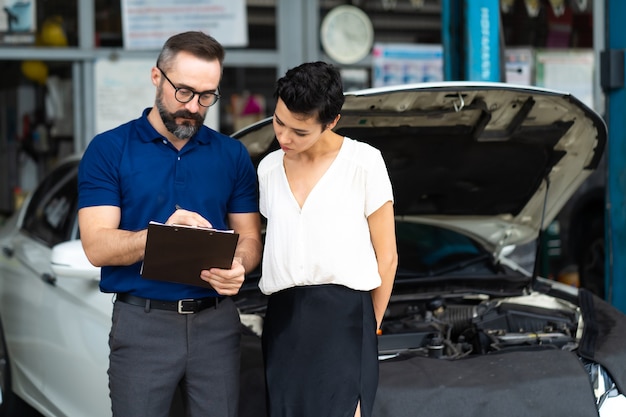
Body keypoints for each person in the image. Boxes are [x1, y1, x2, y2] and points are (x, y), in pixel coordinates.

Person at [77, 31, 262, 417]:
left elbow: (249, 237)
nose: (194, 107)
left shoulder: (232, 155)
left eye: (207, 96)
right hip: (142, 325)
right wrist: (162, 237)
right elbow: (96, 246)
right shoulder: (109, 150)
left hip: (217, 324)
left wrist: (240, 265)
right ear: (156, 77)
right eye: (184, 92)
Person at [258, 61, 398, 417]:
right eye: (279, 122)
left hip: (346, 321)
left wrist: (372, 326)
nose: (284, 138)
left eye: (300, 132)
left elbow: (387, 257)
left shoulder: (364, 162)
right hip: (283, 322)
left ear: (332, 122)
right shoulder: (268, 169)